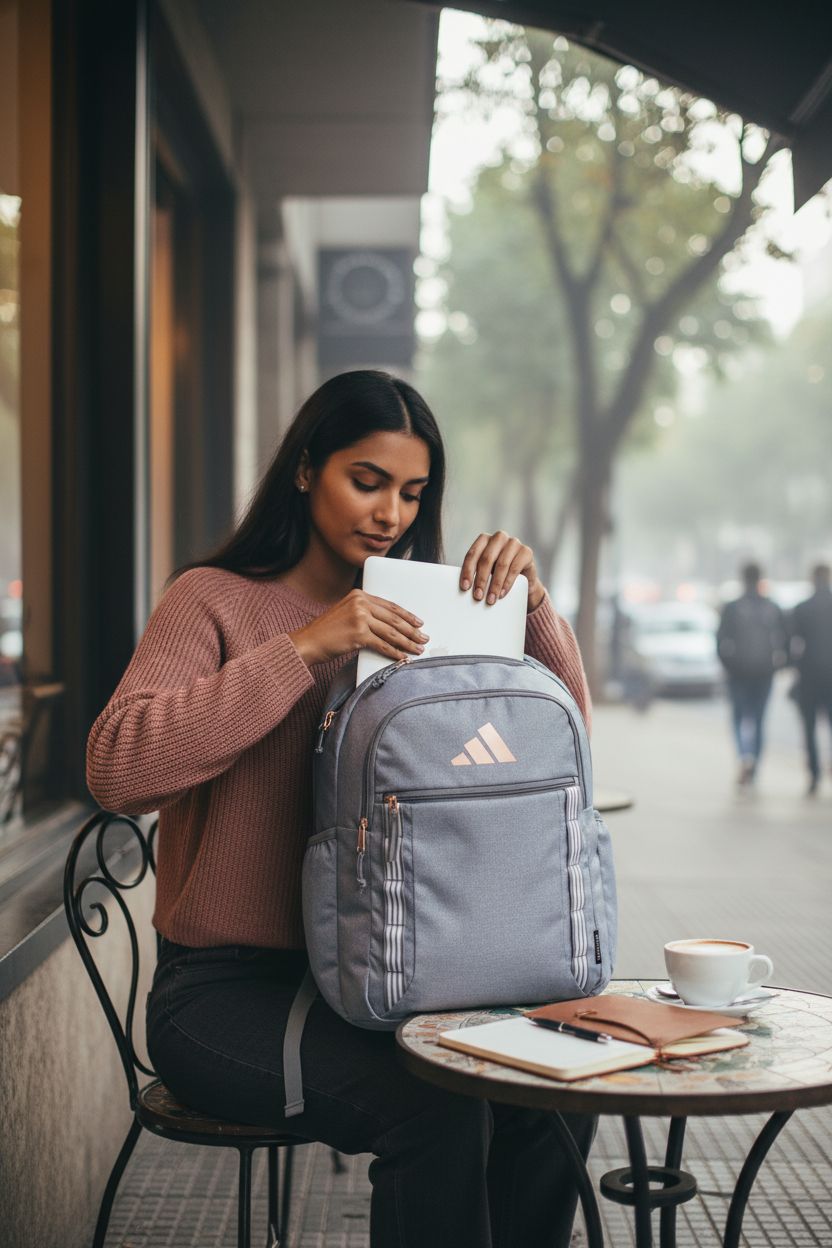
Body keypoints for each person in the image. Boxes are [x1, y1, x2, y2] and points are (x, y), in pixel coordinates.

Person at [86, 369, 595, 1248]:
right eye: (366, 481)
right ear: (304, 469)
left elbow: (564, 754)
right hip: (228, 995)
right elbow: (119, 769)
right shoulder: (211, 600)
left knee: (552, 1095)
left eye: (411, 491)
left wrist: (534, 611)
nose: (391, 513)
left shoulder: (431, 612)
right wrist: (307, 646)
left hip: (407, 977)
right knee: (438, 1111)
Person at [716, 562, 787, 787]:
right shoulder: (772, 607)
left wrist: (729, 665)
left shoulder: (732, 607)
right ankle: (753, 763)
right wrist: (775, 665)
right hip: (764, 672)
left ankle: (743, 756)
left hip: (738, 672)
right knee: (759, 719)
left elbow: (720, 641)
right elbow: (784, 642)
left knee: (738, 717)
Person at [789, 563, 832, 796]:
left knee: (809, 728)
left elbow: (791, 644)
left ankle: (814, 775)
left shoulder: (802, 608)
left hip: (809, 677)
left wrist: (793, 666)